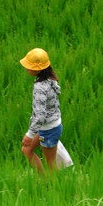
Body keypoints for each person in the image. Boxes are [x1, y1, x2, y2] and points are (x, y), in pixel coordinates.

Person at [20, 48, 62, 176]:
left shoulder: (40, 87)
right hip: (50, 126)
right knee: (26, 149)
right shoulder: (50, 79)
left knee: (51, 165)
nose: (26, 68)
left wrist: (30, 134)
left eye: (29, 66)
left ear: (39, 69)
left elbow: (40, 115)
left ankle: (54, 189)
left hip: (48, 129)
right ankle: (44, 180)